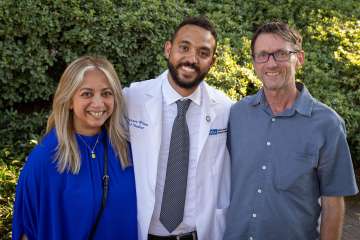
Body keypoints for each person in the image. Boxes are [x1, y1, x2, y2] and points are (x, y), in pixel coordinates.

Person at [224, 21, 359, 240]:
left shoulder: (327, 125)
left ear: (300, 58)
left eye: (281, 54)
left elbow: (333, 204)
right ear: (254, 63)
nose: (271, 63)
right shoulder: (236, 115)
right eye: (263, 55)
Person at [124, 16, 232, 240]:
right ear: (168, 49)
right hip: (140, 232)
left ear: (212, 61)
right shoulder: (132, 99)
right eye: (184, 47)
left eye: (203, 53)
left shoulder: (225, 109)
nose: (192, 59)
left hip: (199, 234)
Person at [12, 56, 137, 240]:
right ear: (69, 100)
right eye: (87, 94)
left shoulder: (127, 150)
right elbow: (26, 231)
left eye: (106, 93)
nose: (98, 103)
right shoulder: (45, 158)